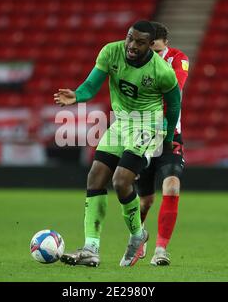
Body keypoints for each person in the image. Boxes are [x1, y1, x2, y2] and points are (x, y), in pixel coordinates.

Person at [53, 20, 181, 267]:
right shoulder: (111, 51)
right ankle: (91, 248)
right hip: (121, 124)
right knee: (95, 177)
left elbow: (174, 105)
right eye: (130, 38)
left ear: (150, 45)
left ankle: (136, 236)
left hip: (147, 126)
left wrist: (167, 140)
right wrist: (77, 95)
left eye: (140, 42)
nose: (132, 45)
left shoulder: (162, 72)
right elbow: (91, 86)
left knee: (121, 181)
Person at [136, 21, 189, 266]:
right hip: (143, 136)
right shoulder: (136, 60)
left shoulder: (179, 59)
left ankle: (160, 250)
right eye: (149, 50)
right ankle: (138, 237)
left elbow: (175, 89)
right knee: (145, 200)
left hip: (170, 136)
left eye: (157, 51)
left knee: (172, 187)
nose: (153, 55)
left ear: (165, 45)